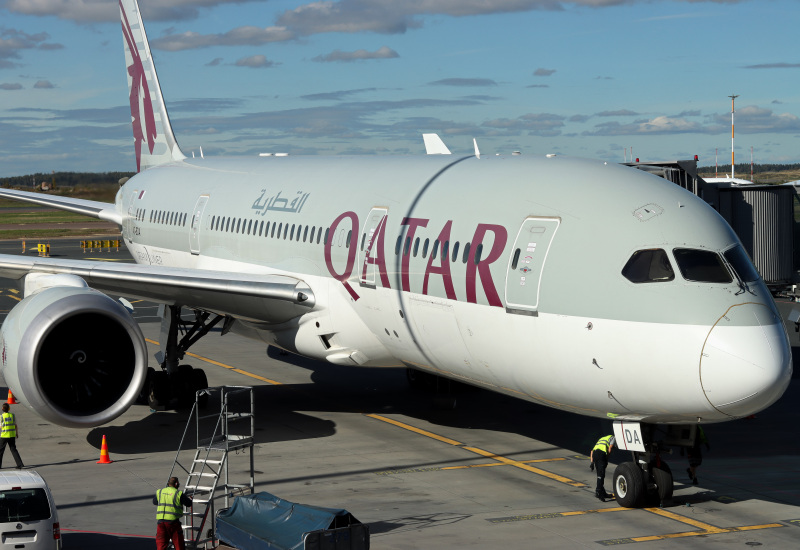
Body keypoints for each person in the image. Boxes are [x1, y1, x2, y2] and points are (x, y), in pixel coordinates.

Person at [154, 476, 193, 550]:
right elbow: (188, 504)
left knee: (161, 546)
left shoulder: (160, 491)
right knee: (179, 545)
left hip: (161, 523)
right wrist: (190, 499)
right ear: (176, 484)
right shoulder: (178, 493)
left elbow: (155, 502)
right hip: (173, 523)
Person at [590, 434, 615, 501]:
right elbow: (610, 448)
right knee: (601, 475)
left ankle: (603, 492)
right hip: (601, 454)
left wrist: (592, 462)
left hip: (595, 454)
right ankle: (598, 492)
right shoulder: (613, 438)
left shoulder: (602, 439)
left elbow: (592, 451)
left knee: (599, 475)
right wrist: (606, 459)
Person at [0, 403, 24, 469]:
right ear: (9, 408)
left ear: (2, 409)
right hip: (12, 435)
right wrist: (17, 433)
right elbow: (15, 425)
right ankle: (20, 464)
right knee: (13, 449)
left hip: (4, 436)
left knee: (1, 450)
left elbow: (1, 426)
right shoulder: (12, 415)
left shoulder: (1, 416)